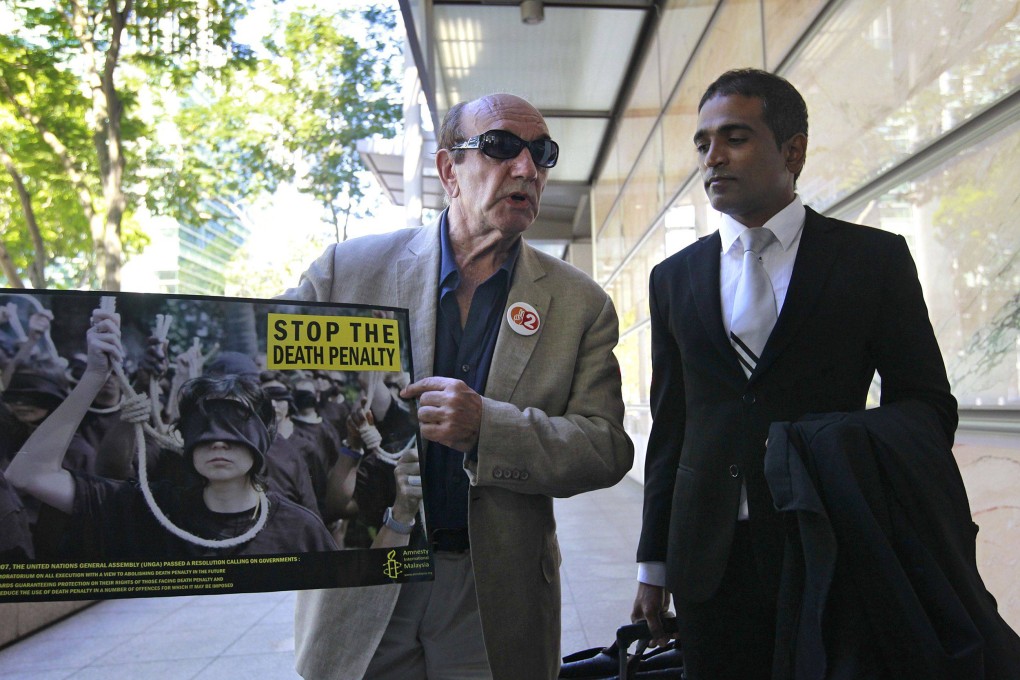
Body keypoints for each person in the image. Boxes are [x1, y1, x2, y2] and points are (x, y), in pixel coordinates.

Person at [285, 92, 633, 680]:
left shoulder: (581, 305)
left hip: (491, 593)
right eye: (500, 148)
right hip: (368, 579)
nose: (527, 168)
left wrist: (487, 429)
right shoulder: (346, 272)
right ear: (449, 169)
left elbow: (605, 449)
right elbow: (262, 376)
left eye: (541, 154)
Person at [630, 68, 959, 679]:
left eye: (735, 137)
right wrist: (654, 563)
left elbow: (928, 405)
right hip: (708, 559)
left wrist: (836, 453)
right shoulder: (673, 279)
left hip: (833, 545)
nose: (713, 157)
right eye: (702, 143)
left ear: (793, 149)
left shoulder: (872, 260)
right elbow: (671, 425)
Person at [4, 307, 339, 560]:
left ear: (264, 438)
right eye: (204, 425)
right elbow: (28, 474)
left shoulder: (301, 531)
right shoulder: (151, 510)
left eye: (236, 422)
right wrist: (94, 376)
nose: (219, 440)